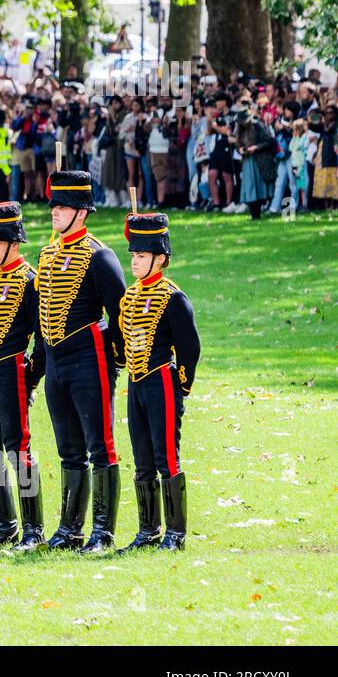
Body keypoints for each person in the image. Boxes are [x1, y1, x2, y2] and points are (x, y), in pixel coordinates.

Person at [35, 170, 126, 552]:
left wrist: (115, 360)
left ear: (83, 212)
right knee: (67, 448)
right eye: (55, 203)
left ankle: (102, 532)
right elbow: (41, 315)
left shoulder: (99, 256)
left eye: (65, 205)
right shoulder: (46, 255)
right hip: (56, 363)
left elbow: (122, 315)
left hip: (90, 361)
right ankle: (69, 528)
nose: (56, 210)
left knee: (100, 447)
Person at [116, 210, 200, 551]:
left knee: (167, 457)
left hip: (162, 381)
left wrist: (180, 386)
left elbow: (190, 348)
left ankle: (175, 534)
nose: (135, 262)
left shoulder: (173, 297)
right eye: (134, 255)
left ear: (160, 259)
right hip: (136, 383)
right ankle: (147, 531)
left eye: (142, 256)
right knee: (142, 458)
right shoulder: (130, 295)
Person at [0, 200, 46, 548]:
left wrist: (31, 376)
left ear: (14, 244)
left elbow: (43, 336)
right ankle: (4, 526)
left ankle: (33, 529)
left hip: (12, 372)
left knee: (20, 454)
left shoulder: (30, 281)